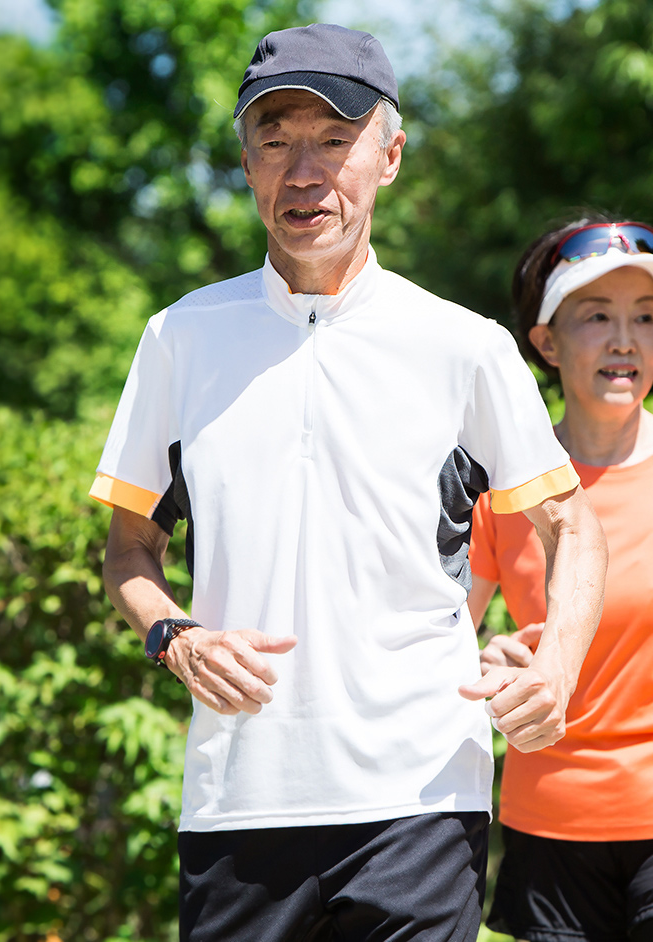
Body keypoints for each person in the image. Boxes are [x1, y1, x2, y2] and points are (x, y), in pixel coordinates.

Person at [91, 23, 609, 942]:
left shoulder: (465, 346)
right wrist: (173, 637)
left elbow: (574, 529)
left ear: (390, 155)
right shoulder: (179, 338)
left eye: (335, 140)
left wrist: (559, 666)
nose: (304, 172)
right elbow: (130, 547)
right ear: (246, 164)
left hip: (421, 796)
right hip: (235, 802)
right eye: (277, 141)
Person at [468, 218, 653, 942]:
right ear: (545, 342)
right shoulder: (500, 489)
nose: (625, 340)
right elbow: (433, 641)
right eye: (597, 317)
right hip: (548, 833)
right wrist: (482, 664)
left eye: (645, 317)